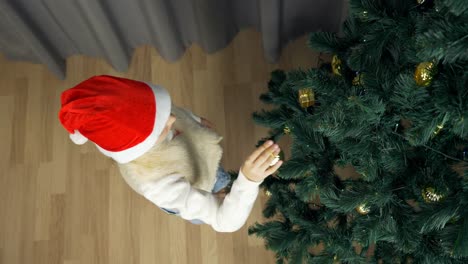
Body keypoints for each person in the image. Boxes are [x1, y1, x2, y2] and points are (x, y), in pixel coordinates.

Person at [58, 75, 283, 232]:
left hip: (200, 159)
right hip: (194, 186)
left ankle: (220, 183)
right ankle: (218, 189)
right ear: (139, 145)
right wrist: (248, 181)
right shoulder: (158, 185)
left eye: (163, 111)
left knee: (217, 174)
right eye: (161, 127)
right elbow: (224, 221)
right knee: (210, 197)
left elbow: (175, 112)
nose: (172, 120)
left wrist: (194, 120)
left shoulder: (145, 123)